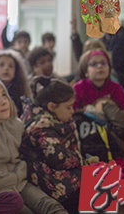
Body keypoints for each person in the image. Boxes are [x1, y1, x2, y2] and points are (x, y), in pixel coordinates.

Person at [0, 78, 68, 214]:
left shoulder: (15, 124)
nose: (3, 101)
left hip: (20, 182)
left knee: (52, 207)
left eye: (4, 95)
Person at [19, 77, 83, 213]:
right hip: (47, 179)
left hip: (56, 172)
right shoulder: (42, 125)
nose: (72, 111)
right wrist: (79, 159)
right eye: (68, 107)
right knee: (96, 185)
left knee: (102, 177)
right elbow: (57, 158)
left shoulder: (54, 120)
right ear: (52, 107)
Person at [73, 49, 124, 159]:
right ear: (86, 71)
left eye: (103, 63)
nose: (99, 66)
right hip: (87, 136)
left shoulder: (115, 87)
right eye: (93, 64)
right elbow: (70, 114)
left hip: (112, 135)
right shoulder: (78, 88)